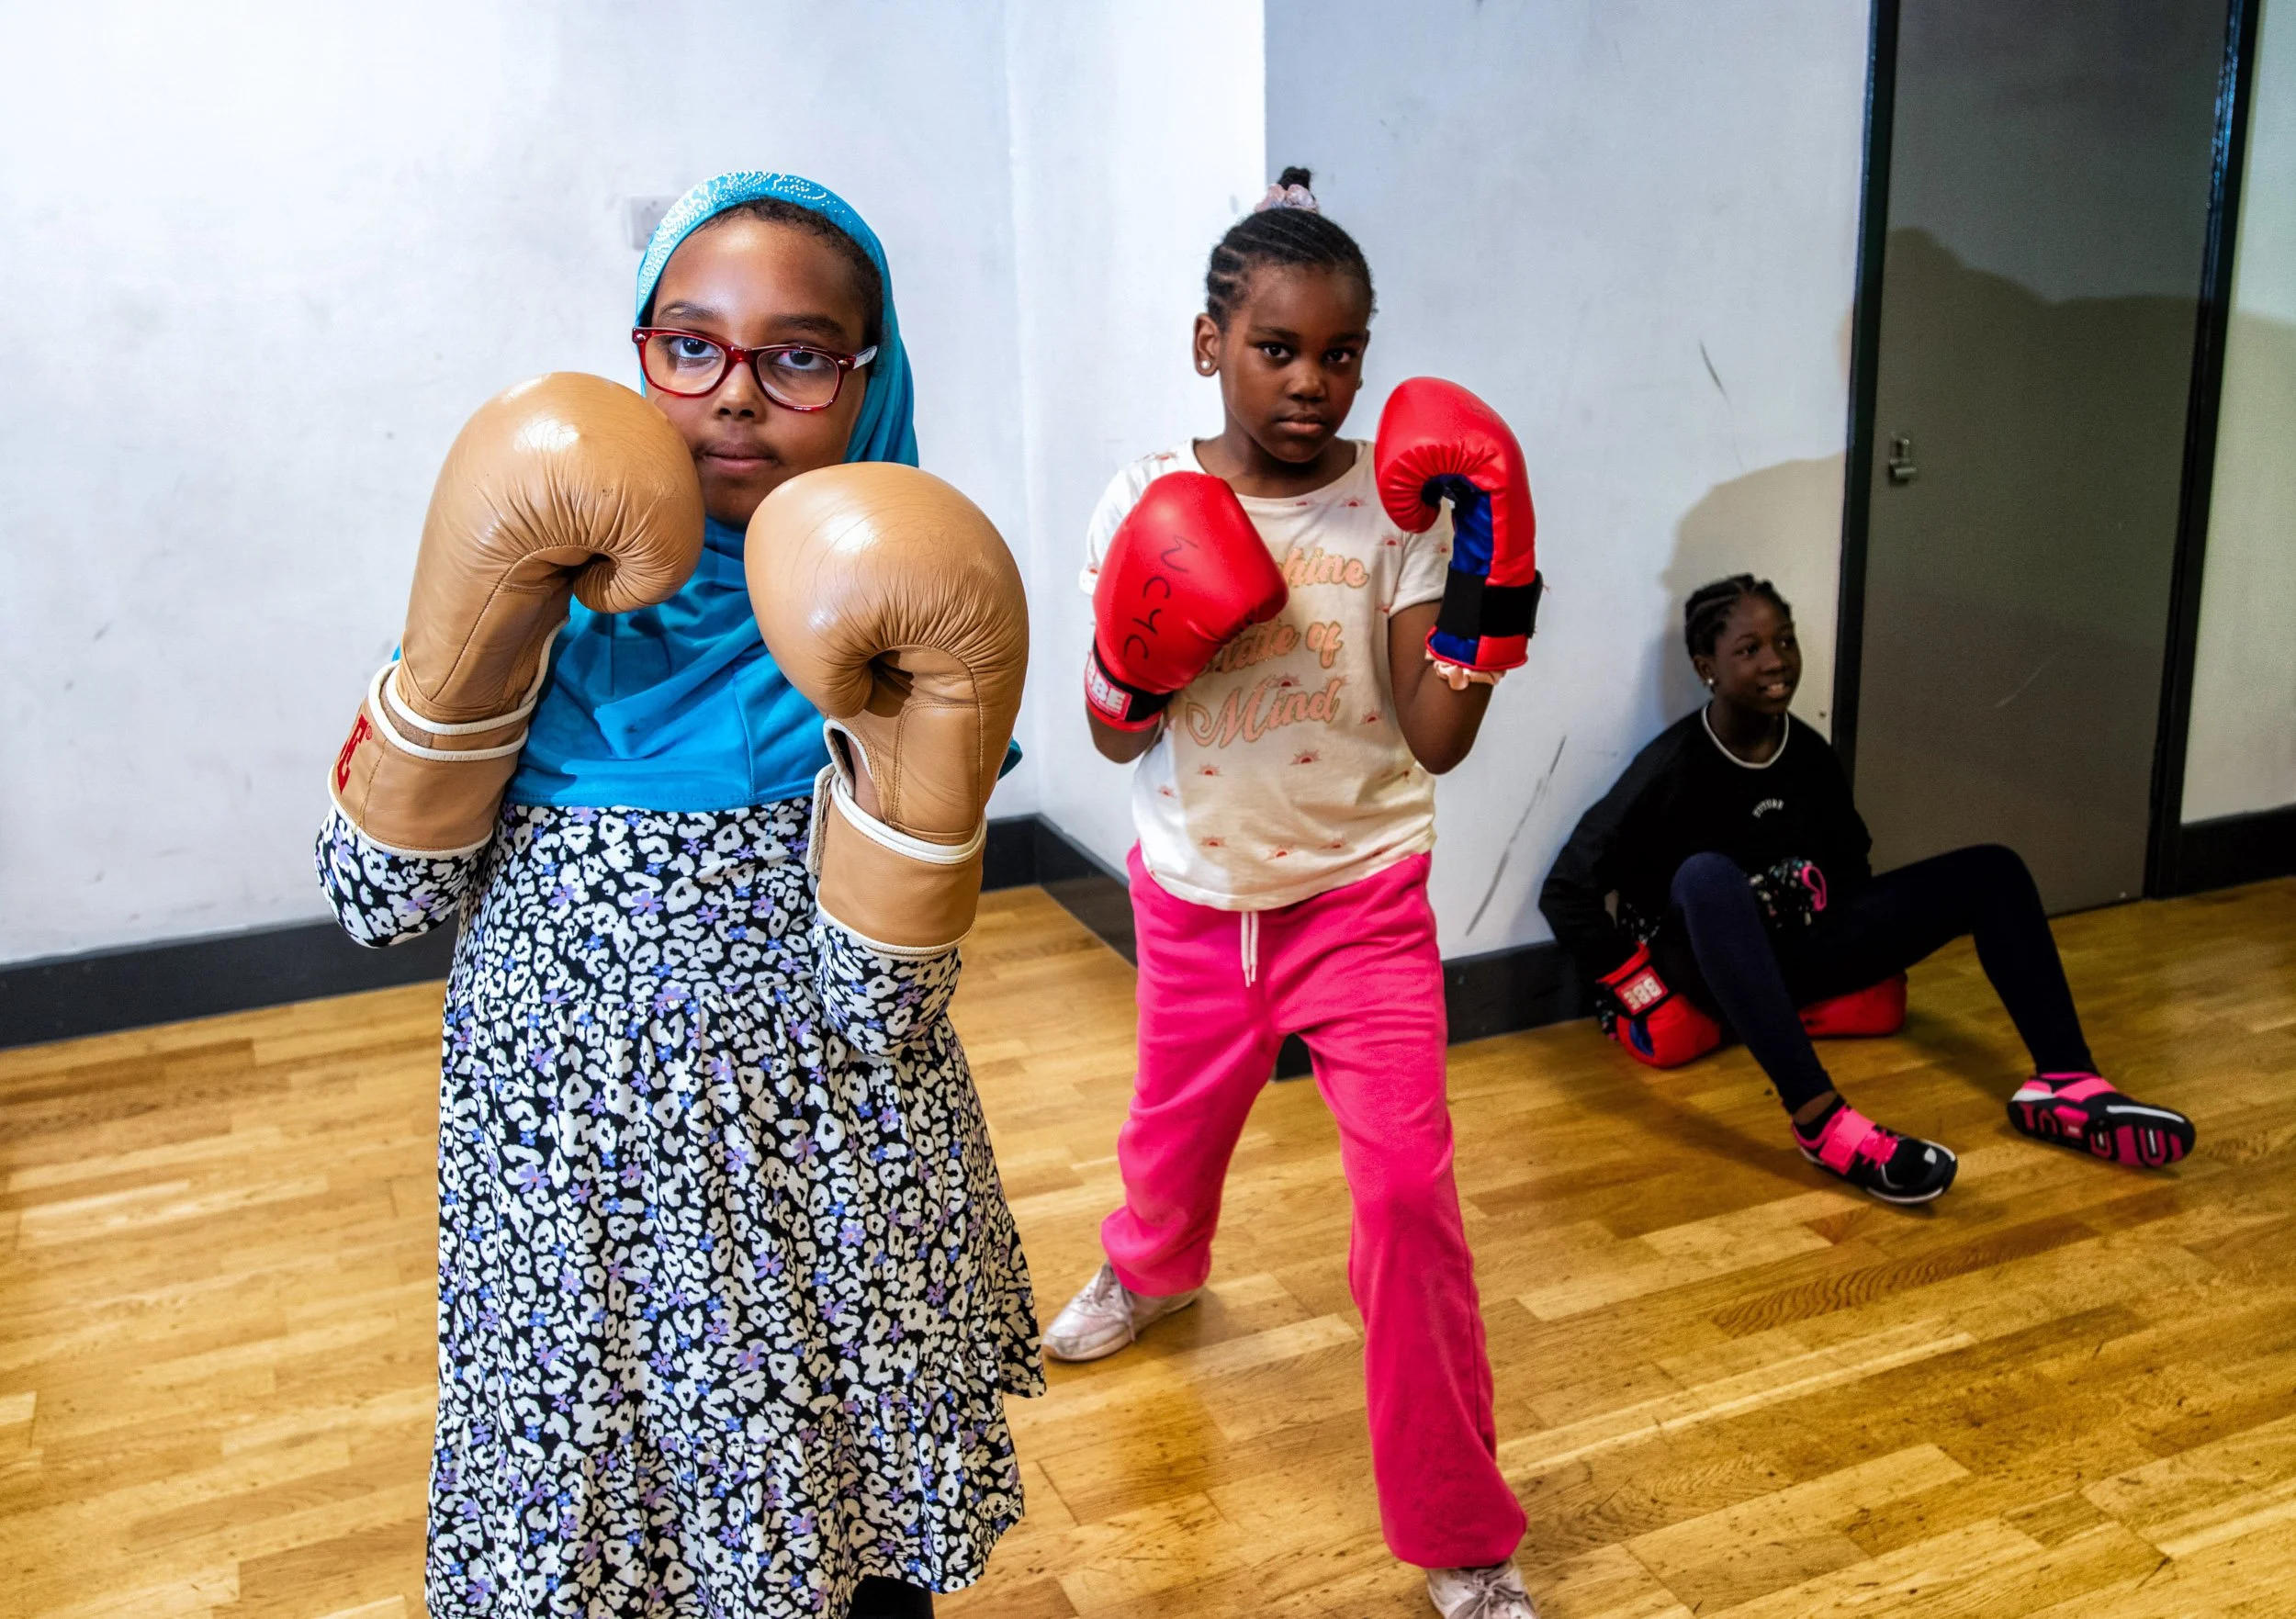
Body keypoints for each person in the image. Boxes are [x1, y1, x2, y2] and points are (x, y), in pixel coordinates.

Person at [316, 171, 1039, 1619]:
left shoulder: (908, 625)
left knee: (854, 1549)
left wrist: (912, 741)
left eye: (801, 354)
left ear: (870, 374)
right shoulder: (531, 585)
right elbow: (375, 896)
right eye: (691, 344)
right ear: (639, 351)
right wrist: (481, 643)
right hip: (570, 1189)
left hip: (833, 1180)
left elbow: (885, 1003)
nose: (738, 394)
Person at [1046, 168, 1545, 1619]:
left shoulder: (1396, 510)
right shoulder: (1144, 499)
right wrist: (1144, 645)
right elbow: (1113, 738)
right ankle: (1152, 1269)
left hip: (1361, 904)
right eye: (1277, 348)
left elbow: (1435, 736)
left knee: (1408, 1198)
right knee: (1171, 1134)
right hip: (1196, 896)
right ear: (1210, 343)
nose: (1312, 382)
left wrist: (1494, 577)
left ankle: (1463, 1534)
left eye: (1342, 353)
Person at [1539, 573, 2196, 1206]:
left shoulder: (1808, 754)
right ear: (1705, 666)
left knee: (1994, 870)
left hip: (1792, 955)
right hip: (1703, 966)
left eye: (1785, 641)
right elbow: (1566, 891)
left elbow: (1852, 870)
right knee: (1707, 876)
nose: (1776, 661)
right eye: (1750, 649)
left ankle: (2066, 1083)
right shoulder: (1671, 766)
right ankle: (1820, 1119)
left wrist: (1824, 904)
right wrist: (1640, 989)